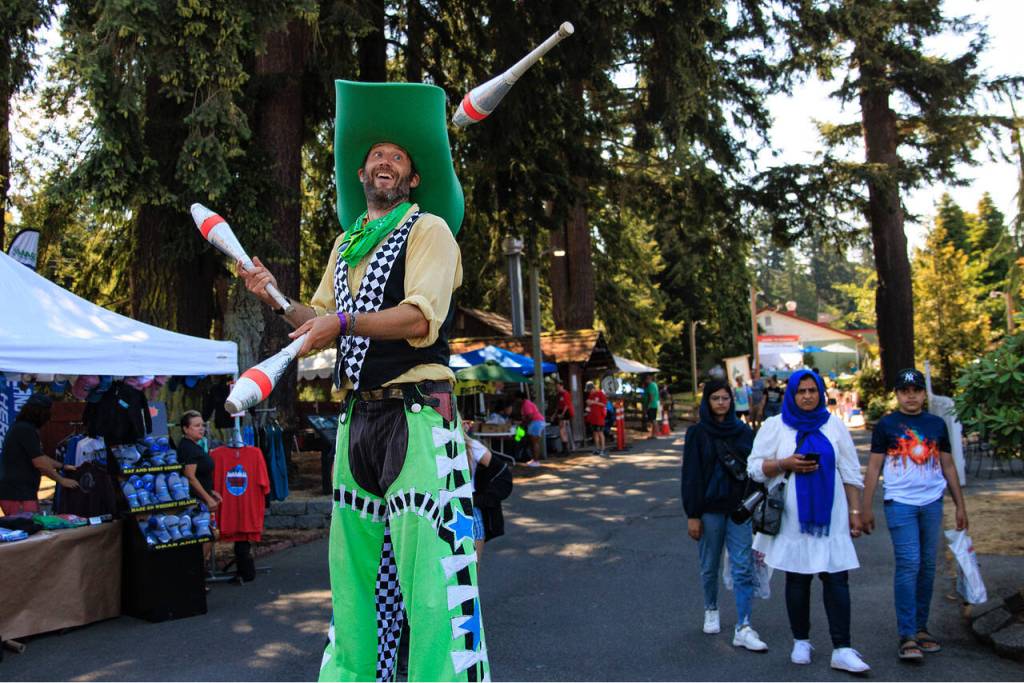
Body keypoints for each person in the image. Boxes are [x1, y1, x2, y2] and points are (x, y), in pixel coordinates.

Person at [239, 80, 487, 681]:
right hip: (355, 421)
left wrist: (342, 322)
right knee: (353, 584)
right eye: (376, 155)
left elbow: (420, 316)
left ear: (412, 178)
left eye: (396, 157)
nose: (384, 161)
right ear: (360, 173)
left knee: (434, 582)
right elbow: (315, 321)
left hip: (417, 414)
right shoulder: (345, 245)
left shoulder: (429, 231)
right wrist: (275, 297)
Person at [747, 369, 870, 674]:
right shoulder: (776, 426)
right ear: (792, 394)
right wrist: (783, 464)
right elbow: (754, 468)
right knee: (798, 579)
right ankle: (800, 640)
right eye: (800, 391)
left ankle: (842, 648)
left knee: (836, 579)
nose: (806, 396)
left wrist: (856, 513)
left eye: (812, 391)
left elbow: (851, 472)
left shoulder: (834, 425)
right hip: (792, 518)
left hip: (832, 517)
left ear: (820, 393)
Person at [862, 368, 968, 661]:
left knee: (927, 566)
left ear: (923, 393)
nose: (911, 396)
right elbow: (873, 468)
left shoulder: (936, 424)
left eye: (916, 390)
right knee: (909, 564)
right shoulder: (886, 425)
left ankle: (922, 628)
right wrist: (864, 507)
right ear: (896, 394)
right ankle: (907, 633)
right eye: (904, 391)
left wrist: (960, 505)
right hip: (900, 503)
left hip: (932, 502)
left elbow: (947, 466)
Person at [682, 379, 766, 652]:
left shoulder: (743, 432)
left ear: (732, 401)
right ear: (707, 401)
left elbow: (754, 471)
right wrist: (692, 514)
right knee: (709, 564)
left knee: (742, 566)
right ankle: (711, 608)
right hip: (709, 510)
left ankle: (744, 624)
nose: (721, 403)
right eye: (715, 398)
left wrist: (752, 506)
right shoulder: (697, 434)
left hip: (738, 509)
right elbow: (691, 475)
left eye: (725, 398)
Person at [0, 394, 78, 515]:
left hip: (21, 493)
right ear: (39, 412)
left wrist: (62, 466)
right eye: (48, 413)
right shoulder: (25, 429)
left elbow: (39, 456)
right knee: (29, 529)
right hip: (18, 495)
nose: (48, 417)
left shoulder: (22, 427)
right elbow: (40, 463)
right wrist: (61, 480)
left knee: (33, 527)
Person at [177, 410, 221, 566]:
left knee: (210, 535)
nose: (201, 428)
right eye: (196, 426)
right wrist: (208, 498)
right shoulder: (188, 448)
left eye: (202, 425)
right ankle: (196, 571)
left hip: (202, 496)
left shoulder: (195, 446)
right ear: (186, 429)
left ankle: (198, 571)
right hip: (195, 500)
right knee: (207, 535)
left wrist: (211, 491)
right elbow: (190, 476)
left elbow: (201, 475)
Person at [515, 391, 545, 468]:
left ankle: (536, 461)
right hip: (536, 422)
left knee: (534, 442)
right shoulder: (526, 403)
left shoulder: (526, 404)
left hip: (536, 422)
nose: (516, 401)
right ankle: (534, 459)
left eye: (517, 399)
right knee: (532, 442)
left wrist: (523, 424)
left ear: (520, 398)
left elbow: (530, 416)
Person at [584, 381, 608, 455]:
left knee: (600, 432)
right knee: (595, 433)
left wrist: (594, 402)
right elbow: (590, 405)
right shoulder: (590, 396)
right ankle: (597, 448)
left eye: (590, 390)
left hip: (600, 417)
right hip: (593, 418)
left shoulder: (600, 393)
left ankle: (603, 449)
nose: (589, 392)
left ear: (592, 388)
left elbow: (604, 404)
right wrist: (588, 405)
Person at [553, 379, 574, 455]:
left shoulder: (565, 394)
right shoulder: (559, 395)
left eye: (558, 386)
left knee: (563, 430)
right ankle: (565, 448)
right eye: (556, 387)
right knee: (562, 430)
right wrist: (554, 414)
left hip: (566, 412)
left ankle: (566, 449)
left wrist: (562, 414)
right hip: (561, 412)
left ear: (562, 386)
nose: (557, 388)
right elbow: (558, 406)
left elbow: (566, 405)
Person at [644, 374, 660, 439]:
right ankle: (653, 434)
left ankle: (656, 433)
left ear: (649, 379)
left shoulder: (651, 386)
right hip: (655, 404)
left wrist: (648, 405)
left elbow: (651, 396)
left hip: (652, 405)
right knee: (653, 420)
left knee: (653, 420)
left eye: (646, 379)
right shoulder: (654, 384)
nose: (645, 381)